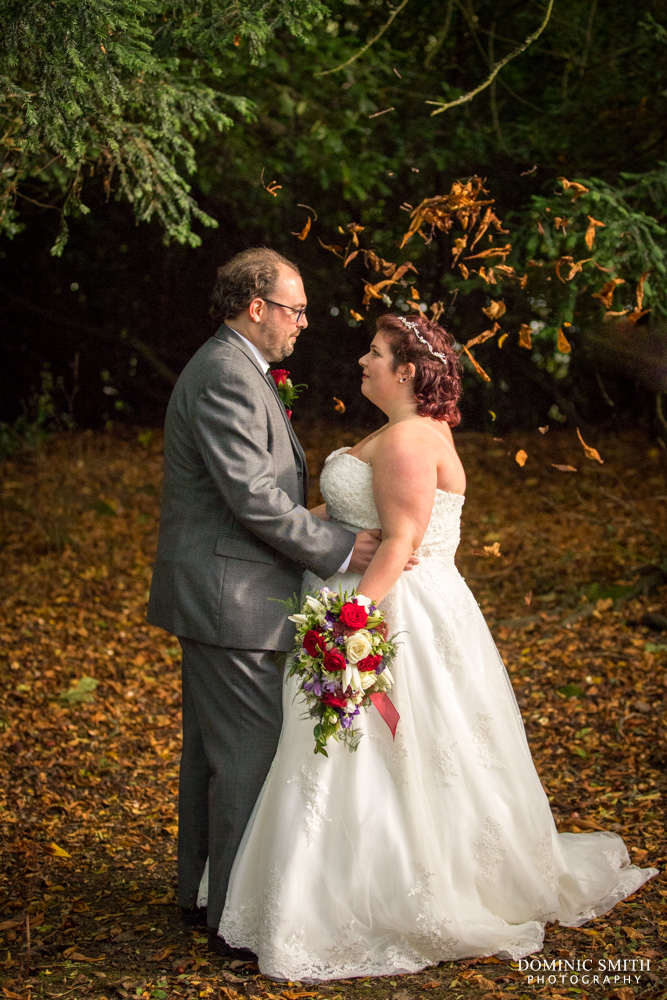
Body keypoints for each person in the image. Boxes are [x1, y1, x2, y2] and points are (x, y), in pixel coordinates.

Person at [207, 312, 657, 980]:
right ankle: (328, 882)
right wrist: (278, 529)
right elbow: (354, 516)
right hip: (378, 605)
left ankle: (370, 893)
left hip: (395, 614)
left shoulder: (409, 439)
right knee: (359, 756)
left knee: (383, 752)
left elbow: (401, 541)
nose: (362, 360)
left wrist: (353, 620)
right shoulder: (397, 433)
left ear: (408, 370)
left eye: (375, 352)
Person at [146, 248, 391, 957]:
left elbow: (259, 489)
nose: (303, 324)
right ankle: (237, 922)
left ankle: (201, 895)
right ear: (256, 307)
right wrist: (341, 550)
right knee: (247, 756)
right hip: (235, 597)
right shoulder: (226, 374)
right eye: (295, 309)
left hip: (226, 590)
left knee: (212, 758)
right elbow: (252, 496)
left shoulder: (235, 368)